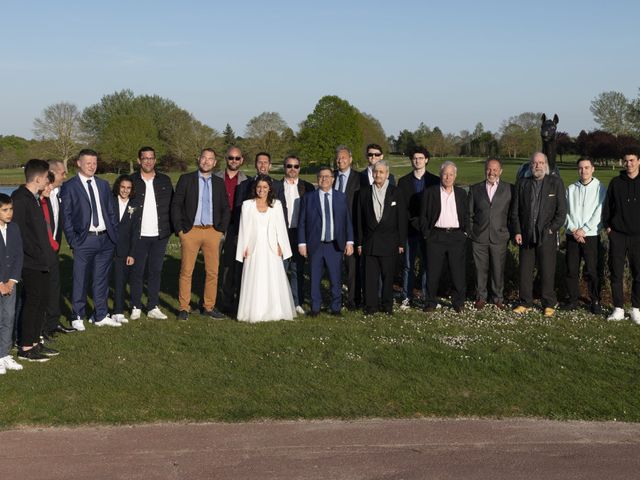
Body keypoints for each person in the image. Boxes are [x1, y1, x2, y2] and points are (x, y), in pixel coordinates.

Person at [60, 149, 120, 330]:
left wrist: (113, 234)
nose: (92, 166)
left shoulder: (102, 184)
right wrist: (73, 239)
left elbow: (110, 211)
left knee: (101, 279)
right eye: (88, 163)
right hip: (83, 240)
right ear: (78, 163)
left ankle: (100, 315)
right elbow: (66, 216)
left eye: (94, 163)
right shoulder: (70, 186)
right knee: (80, 279)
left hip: (105, 239)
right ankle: (77, 315)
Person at [171, 148, 230, 320]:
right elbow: (176, 205)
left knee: (212, 271)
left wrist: (220, 230)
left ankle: (209, 306)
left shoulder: (219, 182)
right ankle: (184, 307)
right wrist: (180, 231)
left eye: (210, 159)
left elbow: (226, 208)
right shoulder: (186, 179)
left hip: (212, 231)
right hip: (191, 231)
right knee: (186, 271)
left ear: (215, 162)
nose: (206, 161)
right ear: (198, 159)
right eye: (204, 158)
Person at [12, 159, 57, 361]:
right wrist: (37, 253)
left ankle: (35, 342)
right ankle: (25, 347)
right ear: (38, 178)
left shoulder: (34, 198)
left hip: (42, 260)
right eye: (47, 176)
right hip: (30, 262)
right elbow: (18, 234)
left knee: (41, 302)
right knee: (32, 303)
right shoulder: (20, 199)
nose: (49, 180)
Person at [511, 152, 567, 317]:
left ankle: (548, 303)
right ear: (530, 165)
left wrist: (552, 229)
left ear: (546, 165)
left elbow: (562, 211)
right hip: (526, 235)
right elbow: (515, 211)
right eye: (535, 163)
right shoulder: (523, 183)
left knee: (547, 270)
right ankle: (525, 302)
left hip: (546, 235)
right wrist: (517, 231)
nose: (538, 166)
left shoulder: (555, 183)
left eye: (541, 163)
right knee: (525, 272)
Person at [236, 176, 296, 322]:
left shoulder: (276, 204)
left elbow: (281, 227)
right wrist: (243, 248)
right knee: (255, 278)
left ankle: (274, 311)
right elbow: (244, 228)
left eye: (264, 187)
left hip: (271, 247)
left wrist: (282, 246)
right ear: (254, 188)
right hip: (253, 248)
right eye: (259, 187)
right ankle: (253, 311)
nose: (261, 190)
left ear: (270, 189)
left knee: (272, 278)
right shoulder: (247, 205)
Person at [298, 166, 354, 316]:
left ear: (333, 179)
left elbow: (347, 221)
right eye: (321, 176)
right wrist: (302, 243)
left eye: (327, 176)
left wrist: (350, 242)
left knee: (336, 278)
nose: (324, 179)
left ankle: (335, 307)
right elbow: (302, 222)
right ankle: (315, 308)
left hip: (335, 245)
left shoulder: (341, 197)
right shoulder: (309, 198)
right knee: (315, 277)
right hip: (315, 244)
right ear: (317, 179)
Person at [129, 147, 173, 321]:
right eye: (144, 158)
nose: (148, 161)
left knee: (156, 270)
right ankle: (135, 306)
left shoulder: (165, 180)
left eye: (151, 158)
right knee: (137, 271)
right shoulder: (131, 180)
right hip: (138, 235)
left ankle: (153, 306)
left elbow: (172, 205)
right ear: (139, 160)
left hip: (159, 234)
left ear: (155, 160)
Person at [356, 161, 407, 314]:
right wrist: (359, 242)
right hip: (370, 242)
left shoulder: (396, 192)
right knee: (370, 277)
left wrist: (401, 242)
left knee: (388, 277)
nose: (378, 175)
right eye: (376, 172)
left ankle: (387, 305)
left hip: (390, 242)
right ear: (372, 173)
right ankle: (370, 306)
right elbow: (358, 220)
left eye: (381, 172)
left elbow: (402, 219)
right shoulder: (363, 193)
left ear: (387, 174)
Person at [419, 161, 469, 313]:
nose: (448, 177)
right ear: (440, 175)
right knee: (433, 272)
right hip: (436, 236)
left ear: (455, 176)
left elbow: (466, 215)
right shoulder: (430, 193)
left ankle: (458, 302)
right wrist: (427, 234)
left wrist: (465, 232)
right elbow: (423, 217)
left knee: (457, 272)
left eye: (451, 174)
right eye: (445, 174)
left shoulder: (461, 193)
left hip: (456, 236)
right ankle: (430, 302)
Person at [467, 157, 513, 310]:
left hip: (499, 236)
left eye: (495, 169)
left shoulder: (509, 189)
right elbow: (469, 214)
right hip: (479, 237)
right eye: (489, 169)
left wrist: (509, 232)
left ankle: (498, 298)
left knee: (498, 269)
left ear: (500, 171)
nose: (491, 172)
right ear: (485, 170)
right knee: (480, 269)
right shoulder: (475, 189)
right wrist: (472, 233)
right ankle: (481, 297)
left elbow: (513, 214)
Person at [397, 146, 439, 309]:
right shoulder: (404, 181)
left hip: (428, 231)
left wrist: (426, 223)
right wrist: (413, 221)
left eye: (421, 158)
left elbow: (436, 206)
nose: (418, 160)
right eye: (415, 158)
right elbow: (402, 207)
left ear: (426, 160)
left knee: (427, 266)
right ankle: (407, 297)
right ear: (411, 160)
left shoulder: (434, 181)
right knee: (408, 265)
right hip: (410, 230)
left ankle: (426, 296)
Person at [564, 157, 606, 314]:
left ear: (593, 169)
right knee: (571, 269)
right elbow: (565, 212)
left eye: (587, 167)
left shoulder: (600, 188)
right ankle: (573, 300)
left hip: (591, 235)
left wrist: (585, 229)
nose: (584, 171)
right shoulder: (571, 189)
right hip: (572, 235)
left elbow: (600, 212)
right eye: (581, 168)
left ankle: (595, 301)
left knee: (592, 270)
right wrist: (574, 229)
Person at [602, 146, 640, 323]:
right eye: (626, 161)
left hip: (638, 236)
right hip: (618, 234)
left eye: (632, 160)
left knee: (638, 273)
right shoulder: (616, 183)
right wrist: (609, 227)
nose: (629, 164)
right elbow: (607, 207)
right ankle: (618, 308)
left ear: (639, 161)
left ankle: (636, 309)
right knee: (616, 272)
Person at [278, 155, 315, 314]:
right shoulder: (276, 186)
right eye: (289, 166)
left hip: (300, 234)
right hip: (282, 233)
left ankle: (296, 302)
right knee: (280, 269)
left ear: (300, 168)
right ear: (284, 167)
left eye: (296, 166)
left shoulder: (308, 187)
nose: (292, 169)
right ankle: (279, 302)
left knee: (297, 269)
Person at [42, 159, 74, 335]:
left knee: (55, 286)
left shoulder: (60, 193)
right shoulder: (41, 196)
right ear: (52, 174)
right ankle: (41, 327)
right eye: (63, 173)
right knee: (41, 289)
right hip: (41, 251)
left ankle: (53, 323)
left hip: (54, 249)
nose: (65, 176)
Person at [215, 146, 248, 314]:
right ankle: (209, 300)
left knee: (230, 265)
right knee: (212, 266)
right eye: (231, 158)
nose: (233, 161)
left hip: (235, 227)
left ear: (241, 160)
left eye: (237, 158)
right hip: (216, 226)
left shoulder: (247, 181)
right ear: (225, 159)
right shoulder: (215, 178)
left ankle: (227, 301)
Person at [333, 145, 361, 309]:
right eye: (338, 158)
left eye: (344, 157)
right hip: (332, 229)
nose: (340, 160)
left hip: (352, 229)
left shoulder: (360, 178)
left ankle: (353, 300)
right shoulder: (331, 176)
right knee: (334, 267)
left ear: (350, 159)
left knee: (352, 269)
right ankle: (335, 299)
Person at [111, 175, 141, 324]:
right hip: (108, 246)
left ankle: (118, 311)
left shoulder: (134, 205)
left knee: (121, 280)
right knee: (105, 280)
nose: (125, 190)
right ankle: (105, 310)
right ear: (118, 187)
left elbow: (136, 231)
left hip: (125, 249)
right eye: (123, 187)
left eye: (128, 188)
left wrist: (132, 253)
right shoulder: (110, 201)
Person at [0, 193, 24, 373]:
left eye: (11, 209)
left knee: (9, 317)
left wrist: (11, 281)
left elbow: (18, 255)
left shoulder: (14, 228)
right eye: (5, 210)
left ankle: (4, 354)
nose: (9, 213)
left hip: (10, 282)